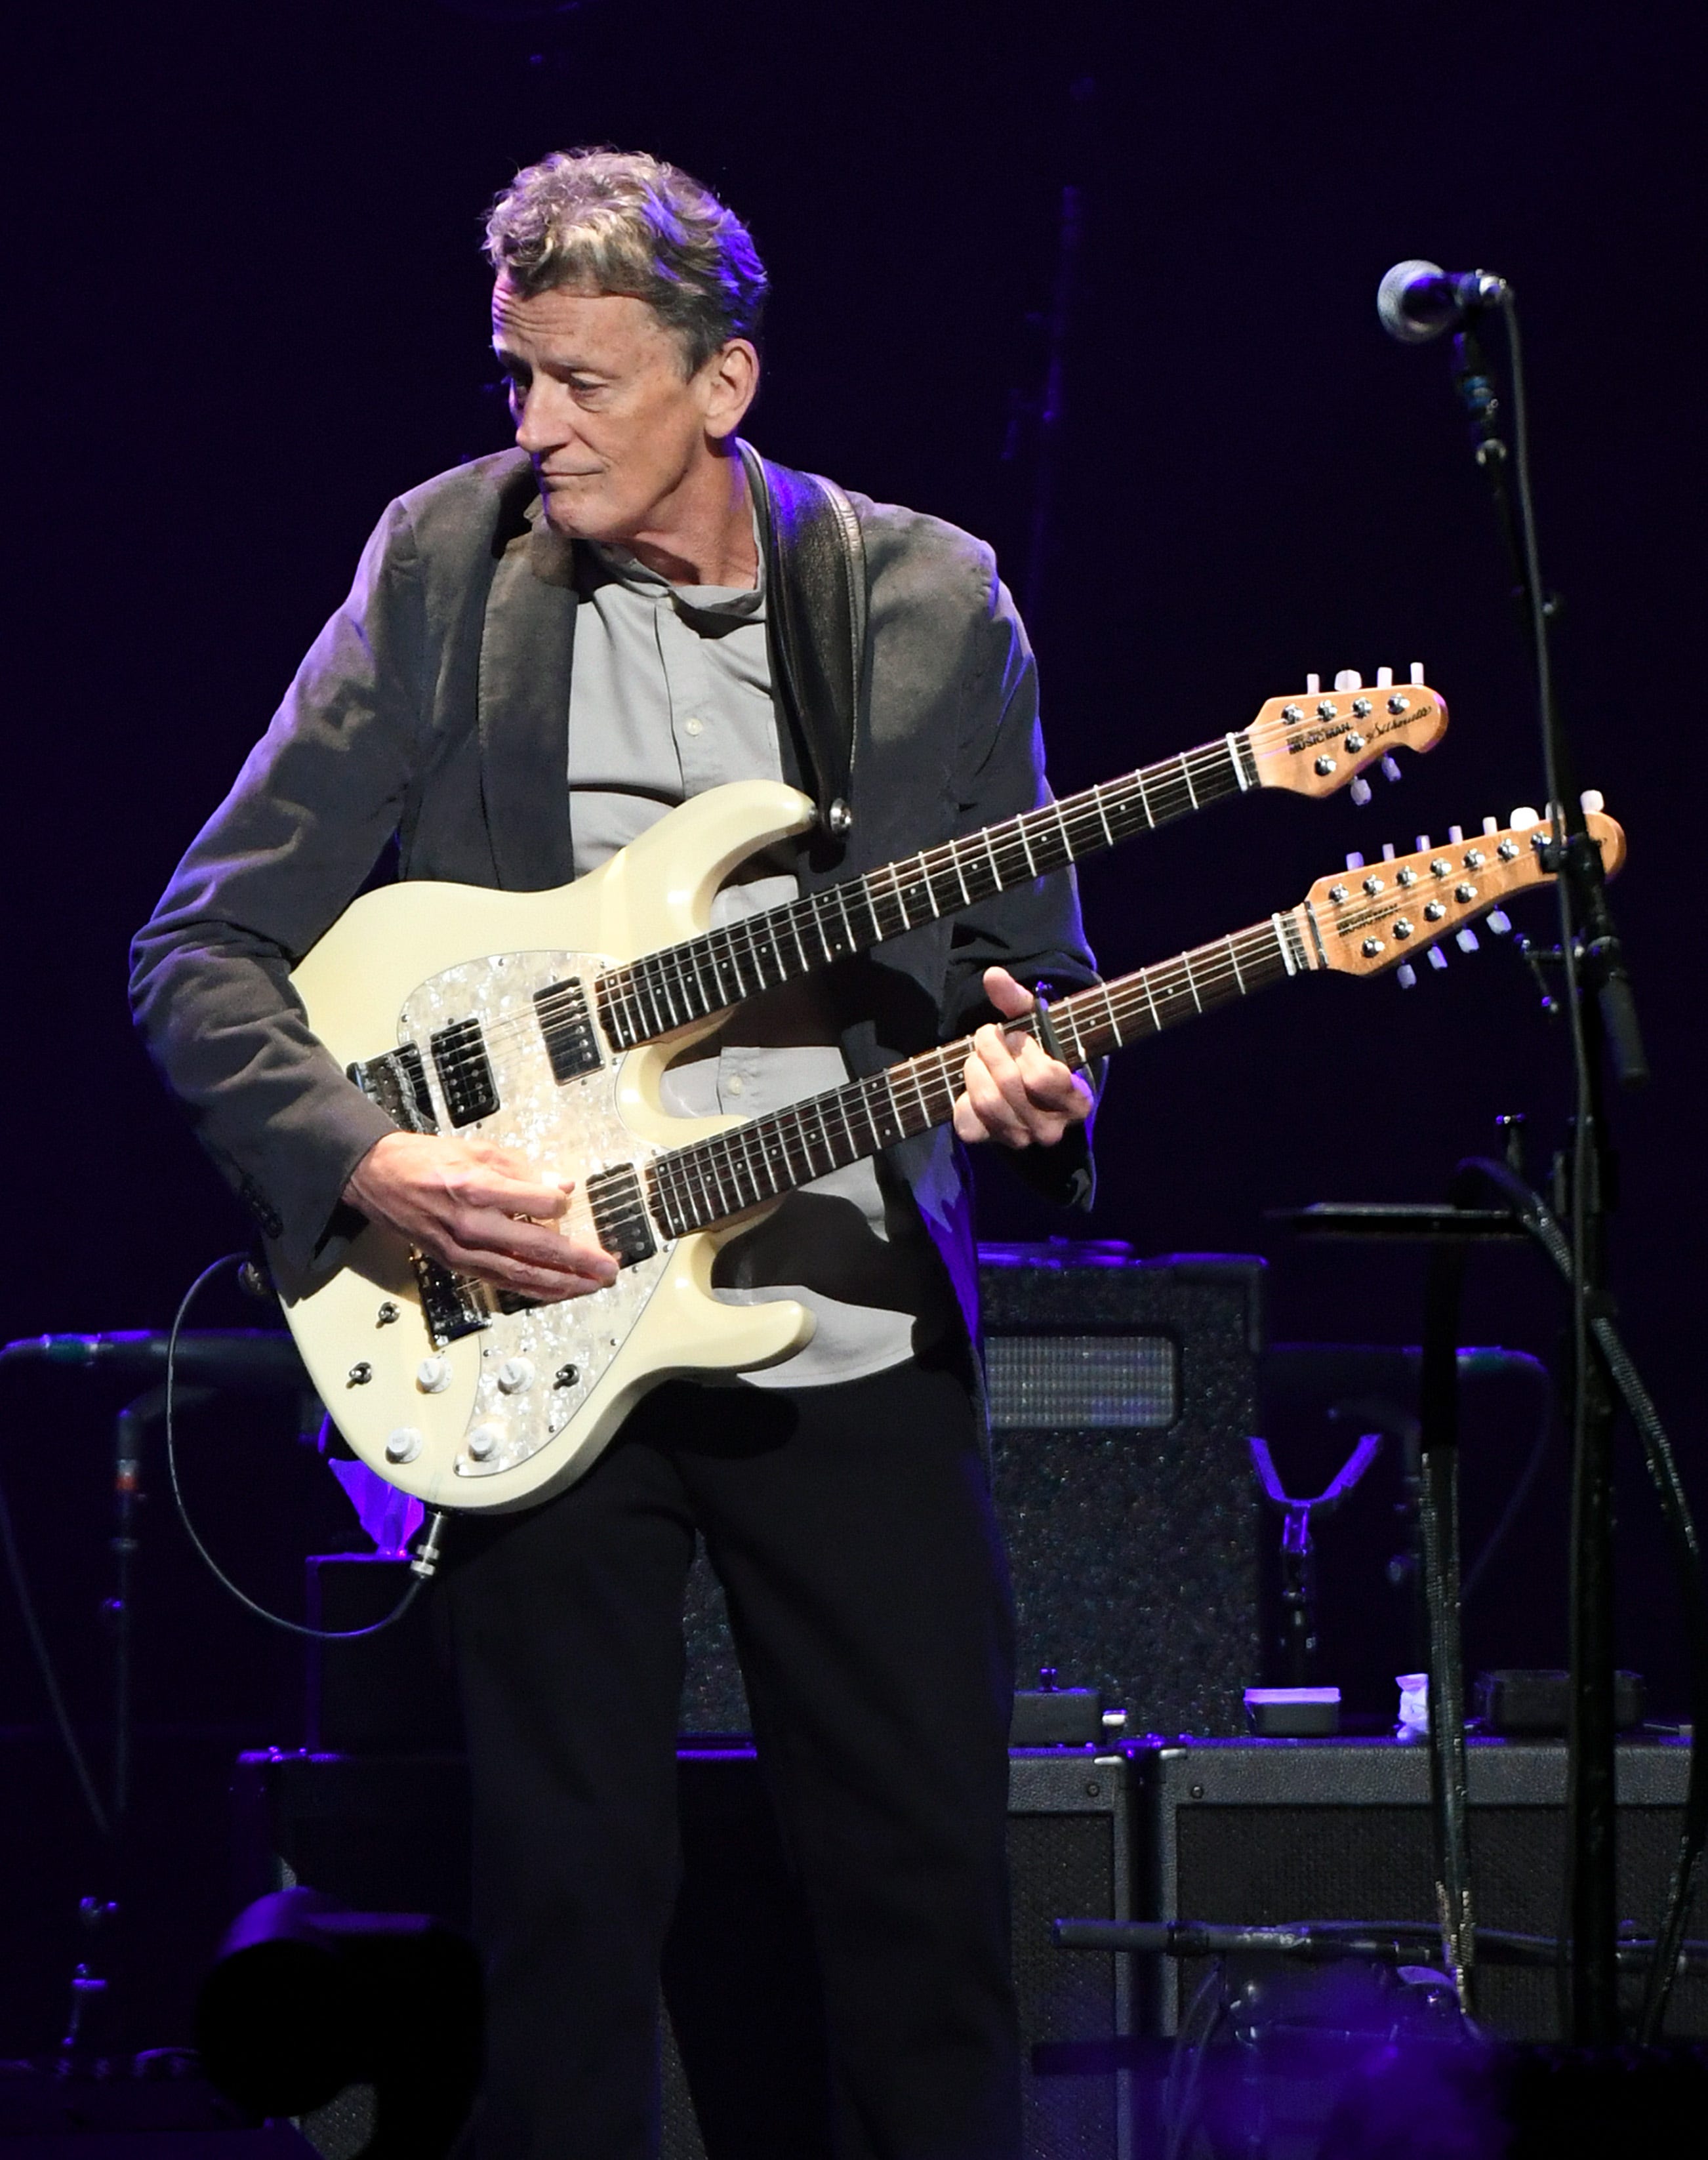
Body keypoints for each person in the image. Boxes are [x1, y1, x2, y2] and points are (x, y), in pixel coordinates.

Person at [131, 149, 1098, 2160]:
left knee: (921, 1896)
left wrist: (1038, 1080)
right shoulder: (443, 564)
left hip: (831, 1316)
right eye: (514, 377)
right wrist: (367, 1164)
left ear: (720, 384)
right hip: (535, 1309)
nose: (534, 429)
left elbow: (1028, 976)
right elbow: (200, 947)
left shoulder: (924, 605)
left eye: (581, 383)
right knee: (566, 1918)